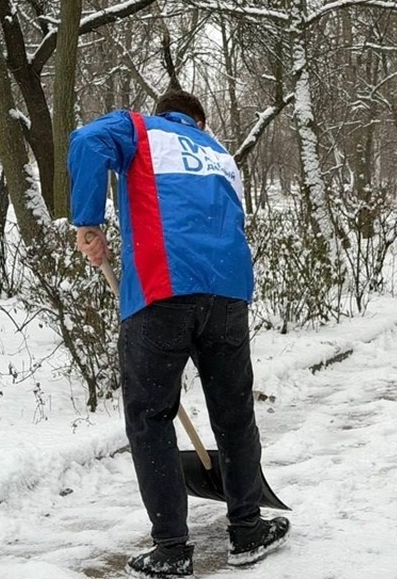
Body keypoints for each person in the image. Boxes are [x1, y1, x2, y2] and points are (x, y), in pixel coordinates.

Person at [68, 89, 289, 578]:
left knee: (150, 418)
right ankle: (248, 531)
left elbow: (85, 140)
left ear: (163, 112)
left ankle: (171, 550)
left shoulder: (140, 129)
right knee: (234, 414)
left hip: (162, 291)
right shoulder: (220, 154)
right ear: (200, 120)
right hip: (229, 291)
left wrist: (88, 222)